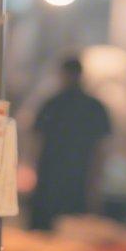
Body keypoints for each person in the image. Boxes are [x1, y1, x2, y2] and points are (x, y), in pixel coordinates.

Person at [29, 56, 112, 230]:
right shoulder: (94, 107)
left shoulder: (52, 104)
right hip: (78, 182)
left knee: (45, 238)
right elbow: (101, 151)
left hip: (50, 182)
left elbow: (36, 144)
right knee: (74, 236)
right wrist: (95, 185)